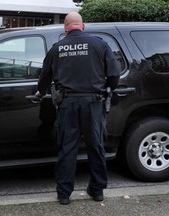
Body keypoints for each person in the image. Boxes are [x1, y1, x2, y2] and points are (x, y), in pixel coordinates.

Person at [35, 12, 120, 205]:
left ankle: (64, 194)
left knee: (67, 148)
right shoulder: (100, 44)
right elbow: (114, 75)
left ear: (65, 28)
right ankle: (97, 191)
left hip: (67, 104)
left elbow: (44, 78)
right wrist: (107, 90)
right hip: (93, 102)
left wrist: (41, 92)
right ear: (83, 26)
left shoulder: (57, 48)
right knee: (96, 146)